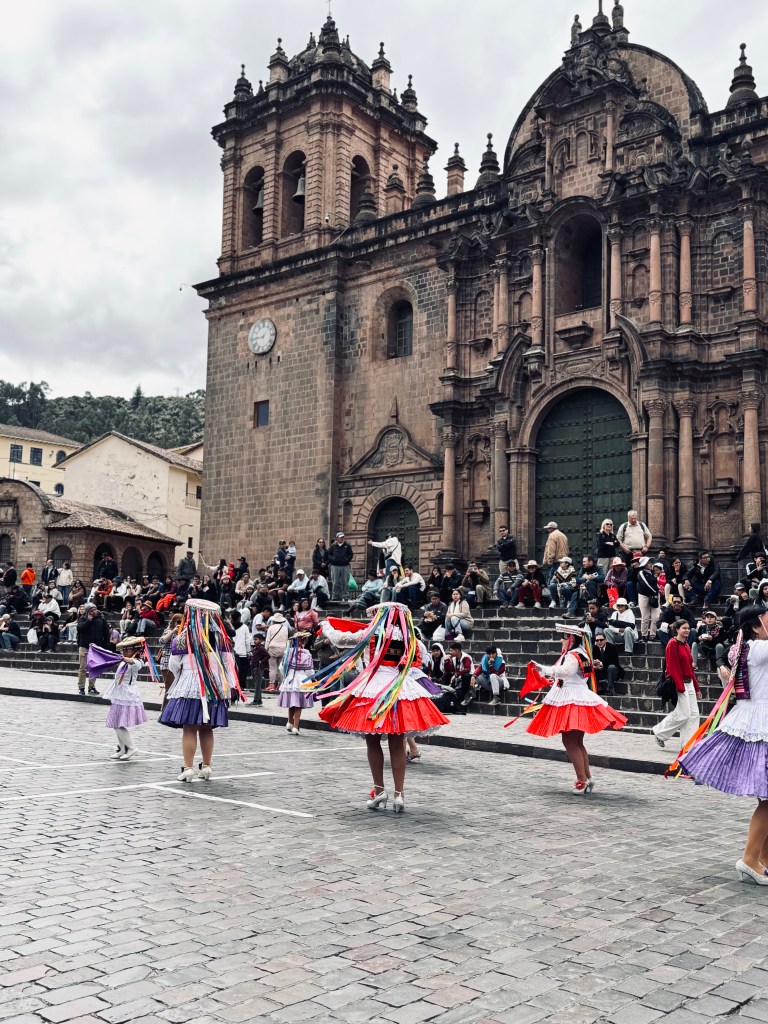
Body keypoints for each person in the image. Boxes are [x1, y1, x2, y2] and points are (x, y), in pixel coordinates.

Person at [309, 603, 450, 813]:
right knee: (397, 742)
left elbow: (340, 639)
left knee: (372, 741)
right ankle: (399, 795)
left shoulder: (373, 632)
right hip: (399, 687)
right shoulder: (409, 636)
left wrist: (326, 625)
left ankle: (379, 789)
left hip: (373, 687)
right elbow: (422, 655)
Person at [680, 606, 768, 884]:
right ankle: (751, 859)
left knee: (765, 796)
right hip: (759, 722)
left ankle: (762, 858)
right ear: (756, 626)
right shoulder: (758, 648)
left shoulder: (750, 647)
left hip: (753, 719)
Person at [526, 624, 627, 793]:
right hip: (578, 696)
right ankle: (586, 777)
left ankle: (582, 779)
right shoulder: (582, 653)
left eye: (564, 637)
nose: (561, 640)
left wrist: (543, 669)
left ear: (571, 639)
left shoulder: (573, 655)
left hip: (571, 698)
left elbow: (565, 672)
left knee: (570, 741)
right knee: (577, 742)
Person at [159, 598, 241, 782]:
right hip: (214, 686)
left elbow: (174, 665)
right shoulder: (221, 638)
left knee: (189, 728)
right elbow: (229, 664)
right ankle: (207, 766)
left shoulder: (183, 637)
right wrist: (229, 688)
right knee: (206, 728)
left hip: (189, 685)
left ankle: (188, 768)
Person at [652, 619, 701, 750]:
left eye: (688, 628)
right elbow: (672, 667)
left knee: (694, 714)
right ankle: (660, 732)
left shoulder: (686, 645)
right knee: (684, 713)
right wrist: (680, 686)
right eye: (684, 628)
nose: (687, 630)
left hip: (689, 682)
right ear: (677, 629)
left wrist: (696, 687)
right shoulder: (672, 644)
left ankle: (689, 744)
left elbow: (690, 669)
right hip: (679, 683)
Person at [101, 636, 150, 760]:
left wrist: (125, 658)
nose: (124, 652)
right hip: (119, 694)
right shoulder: (123, 661)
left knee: (118, 723)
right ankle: (122, 748)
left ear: (135, 650)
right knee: (116, 723)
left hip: (127, 695)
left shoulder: (138, 661)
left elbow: (135, 664)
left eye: (127, 650)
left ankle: (132, 748)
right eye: (123, 649)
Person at [278, 632, 315, 735]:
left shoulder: (287, 652)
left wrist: (287, 675)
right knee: (298, 705)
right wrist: (311, 678)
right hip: (302, 680)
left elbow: (281, 667)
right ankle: (295, 726)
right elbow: (310, 671)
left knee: (292, 703)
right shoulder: (306, 653)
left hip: (290, 679)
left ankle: (289, 722)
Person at [76, 604, 110, 695]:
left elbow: (106, 633)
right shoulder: (83, 619)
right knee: (82, 668)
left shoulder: (101, 619)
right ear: (87, 612)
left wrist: (104, 646)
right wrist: (88, 621)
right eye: (91, 610)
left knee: (94, 668)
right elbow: (80, 629)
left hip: (96, 647)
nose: (94, 612)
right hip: (84, 646)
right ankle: (81, 687)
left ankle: (91, 687)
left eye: (95, 609)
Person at [264, 609, 292, 692]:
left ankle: (271, 684)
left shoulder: (271, 628)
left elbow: (267, 640)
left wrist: (265, 650)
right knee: (281, 668)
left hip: (272, 648)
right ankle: (280, 685)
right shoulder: (285, 628)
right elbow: (287, 639)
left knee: (272, 668)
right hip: (283, 648)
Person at [635, 558, 662, 642]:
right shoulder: (641, 573)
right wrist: (655, 591)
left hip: (654, 596)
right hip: (644, 596)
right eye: (648, 563)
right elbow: (645, 585)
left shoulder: (653, 573)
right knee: (645, 617)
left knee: (656, 617)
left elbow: (655, 584)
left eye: (650, 563)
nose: (650, 564)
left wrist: (658, 590)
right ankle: (644, 635)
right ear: (644, 564)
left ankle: (652, 635)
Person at [592, 631, 623, 696]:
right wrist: (595, 665)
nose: (599, 642)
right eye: (597, 640)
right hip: (600, 671)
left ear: (605, 640)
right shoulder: (594, 648)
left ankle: (610, 688)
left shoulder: (612, 647)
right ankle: (598, 688)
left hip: (610, 670)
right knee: (589, 668)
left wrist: (602, 665)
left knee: (612, 667)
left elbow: (615, 662)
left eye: (601, 640)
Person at [327, 532, 354, 601]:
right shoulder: (333, 546)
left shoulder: (347, 545)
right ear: (337, 538)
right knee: (335, 582)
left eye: (343, 537)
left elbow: (351, 554)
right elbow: (328, 554)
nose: (342, 538)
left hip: (345, 566)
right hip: (335, 566)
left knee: (345, 581)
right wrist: (333, 560)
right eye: (340, 537)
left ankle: (345, 596)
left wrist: (347, 560)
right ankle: (335, 596)